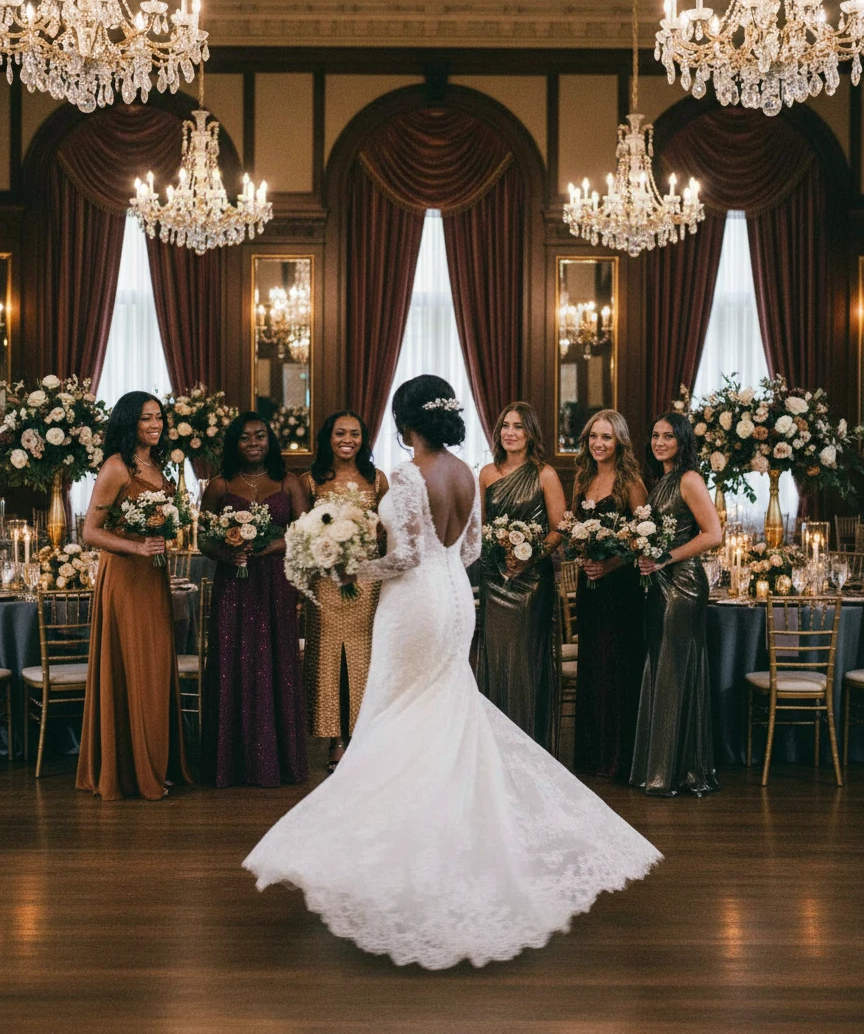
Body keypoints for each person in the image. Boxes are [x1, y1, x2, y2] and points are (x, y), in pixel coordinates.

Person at [243, 375, 660, 970]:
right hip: (455, 600)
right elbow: (466, 553)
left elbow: (407, 556)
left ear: (404, 418)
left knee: (393, 717)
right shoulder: (467, 472)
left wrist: (355, 565)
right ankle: (447, 853)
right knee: (444, 713)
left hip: (413, 603)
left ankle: (401, 863)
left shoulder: (412, 474)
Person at [76, 392, 191, 801]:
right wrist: (137, 547)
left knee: (157, 666)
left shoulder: (157, 465)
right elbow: (89, 532)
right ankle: (132, 771)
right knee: (135, 666)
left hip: (153, 577)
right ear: (130, 423)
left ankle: (154, 762)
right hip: (125, 578)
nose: (156, 424)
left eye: (159, 417)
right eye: (146, 419)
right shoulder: (116, 466)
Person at [199, 413, 309, 787]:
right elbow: (202, 539)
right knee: (234, 660)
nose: (253, 443)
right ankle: (229, 763)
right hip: (234, 582)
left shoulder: (288, 482)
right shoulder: (219, 485)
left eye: (260, 436)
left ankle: (276, 761)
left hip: (276, 582)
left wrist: (271, 545)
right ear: (234, 444)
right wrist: (226, 552)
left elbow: (305, 533)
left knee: (275, 660)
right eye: (245, 438)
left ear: (270, 440)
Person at [630, 411, 723, 797]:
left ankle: (673, 771)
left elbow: (714, 534)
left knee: (673, 668)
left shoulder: (689, 479)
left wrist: (667, 557)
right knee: (662, 665)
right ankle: (665, 767)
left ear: (682, 441)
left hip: (683, 585)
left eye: (668, 436)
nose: (659, 442)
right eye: (654, 435)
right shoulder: (662, 480)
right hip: (660, 583)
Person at [476, 402, 566, 753]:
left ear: (530, 433)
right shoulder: (486, 473)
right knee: (497, 657)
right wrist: (500, 557)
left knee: (527, 660)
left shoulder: (545, 473)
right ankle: (496, 745)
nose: (510, 432)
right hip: (496, 580)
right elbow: (483, 529)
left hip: (532, 584)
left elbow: (560, 528)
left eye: (518, 426)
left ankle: (530, 744)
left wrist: (529, 557)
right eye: (505, 426)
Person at [301, 411, 388, 772]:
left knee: (364, 658)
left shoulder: (377, 479)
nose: (347, 440)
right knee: (327, 658)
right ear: (328, 437)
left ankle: (363, 736)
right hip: (325, 582)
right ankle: (335, 740)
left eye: (354, 433)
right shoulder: (310, 481)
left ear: (363, 439)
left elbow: (388, 531)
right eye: (340, 433)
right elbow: (301, 533)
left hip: (366, 582)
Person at [570, 410, 648, 780]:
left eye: (606, 437)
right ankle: (591, 754)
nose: (598, 444)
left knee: (617, 667)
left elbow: (644, 539)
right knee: (593, 665)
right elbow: (573, 529)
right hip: (590, 586)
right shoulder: (583, 478)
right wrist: (582, 555)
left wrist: (610, 565)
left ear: (619, 442)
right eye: (593, 437)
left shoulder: (630, 482)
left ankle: (618, 759)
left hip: (621, 589)